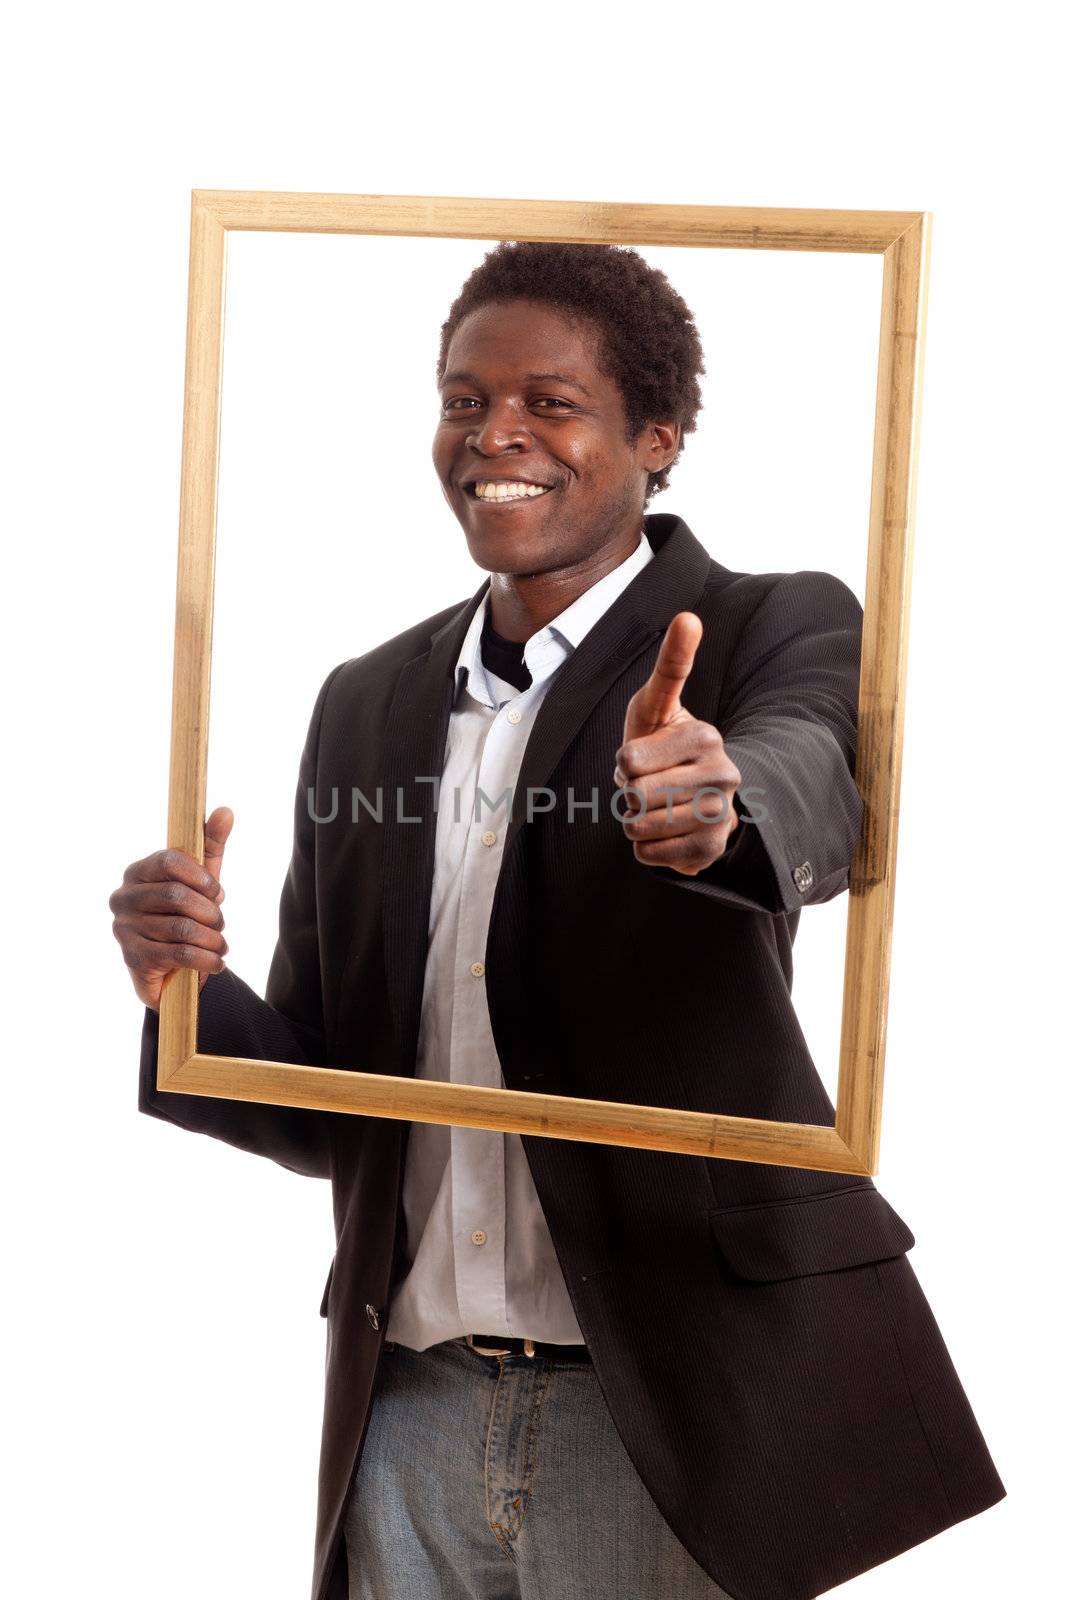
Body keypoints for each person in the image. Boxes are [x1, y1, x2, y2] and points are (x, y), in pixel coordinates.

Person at [110, 242, 1005, 1600]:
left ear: (659, 437)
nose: (496, 435)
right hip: (405, 1415)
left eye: (550, 401)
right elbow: (329, 1107)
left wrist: (717, 808)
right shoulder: (367, 700)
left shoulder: (769, 623)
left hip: (663, 1413)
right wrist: (186, 991)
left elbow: (810, 787)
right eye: (463, 399)